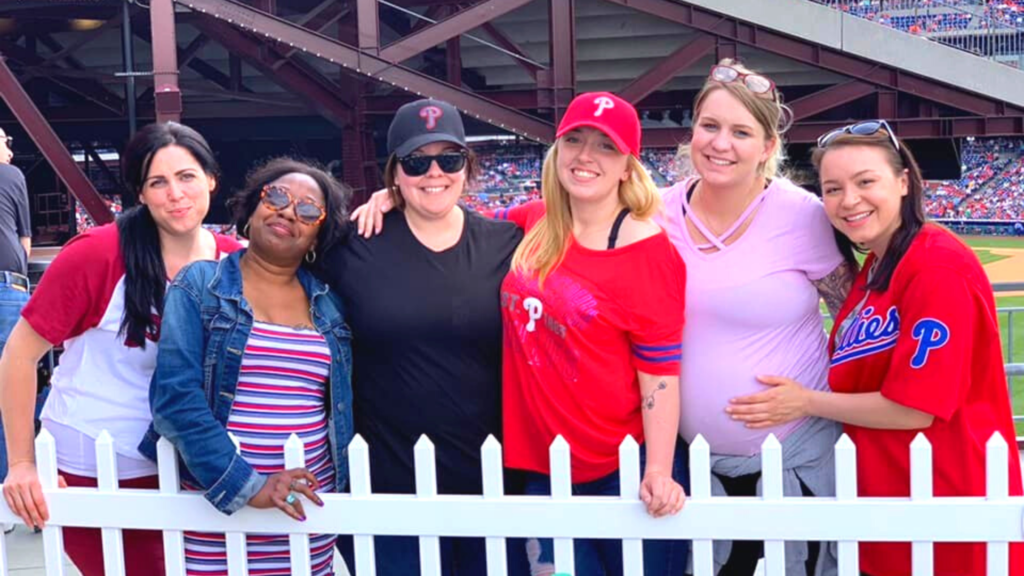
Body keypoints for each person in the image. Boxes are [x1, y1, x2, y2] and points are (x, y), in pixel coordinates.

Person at [728, 120, 1024, 576]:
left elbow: (916, 408)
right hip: (888, 503)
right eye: (832, 188)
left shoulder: (937, 266)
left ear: (903, 181)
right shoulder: (877, 266)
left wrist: (804, 402)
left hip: (947, 505)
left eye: (866, 181)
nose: (849, 200)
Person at [0, 122, 241, 575]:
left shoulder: (236, 262)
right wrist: (21, 463)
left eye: (187, 176)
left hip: (197, 470)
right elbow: (19, 355)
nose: (176, 193)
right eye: (158, 182)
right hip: (96, 465)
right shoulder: (99, 254)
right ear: (141, 194)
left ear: (211, 178)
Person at [657, 60, 856, 575]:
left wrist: (817, 399)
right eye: (710, 126)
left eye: (741, 132)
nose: (721, 143)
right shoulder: (653, 213)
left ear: (768, 147)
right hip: (695, 468)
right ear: (692, 131)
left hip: (799, 458)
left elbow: (857, 317)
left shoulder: (803, 214)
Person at [321, 99, 526, 576]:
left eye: (448, 159)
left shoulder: (507, 242)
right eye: (416, 162)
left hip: (491, 480)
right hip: (388, 483)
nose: (434, 172)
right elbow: (271, 267)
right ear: (394, 171)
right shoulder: (353, 244)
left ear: (468, 166)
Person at [498, 92, 688, 576]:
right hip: (544, 468)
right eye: (575, 140)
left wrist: (658, 471)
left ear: (628, 166)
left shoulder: (648, 251)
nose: (585, 156)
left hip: (620, 467)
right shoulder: (534, 220)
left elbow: (659, 373)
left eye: (606, 146)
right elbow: (449, 226)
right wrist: (389, 195)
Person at [140, 158, 352, 576]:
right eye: (277, 196)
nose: (289, 211)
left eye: (309, 210)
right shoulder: (199, 285)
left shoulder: (331, 304)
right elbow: (175, 398)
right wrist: (247, 484)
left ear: (317, 235)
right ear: (252, 208)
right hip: (218, 506)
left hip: (307, 508)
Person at [0, 127, 32, 534]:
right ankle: (11, 489)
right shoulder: (10, 176)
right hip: (7, 284)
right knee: (12, 390)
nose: (9, 147)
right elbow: (24, 239)